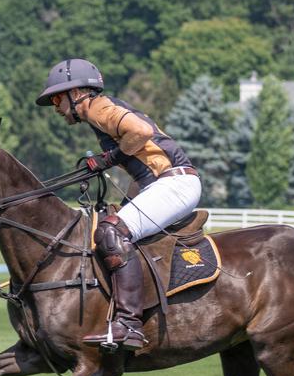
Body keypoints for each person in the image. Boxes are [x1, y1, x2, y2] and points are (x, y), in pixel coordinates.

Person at [36, 58, 202, 351]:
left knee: (112, 233)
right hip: (165, 183)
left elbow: (140, 133)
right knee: (112, 225)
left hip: (175, 183)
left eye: (57, 99)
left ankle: (129, 323)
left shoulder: (99, 108)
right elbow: (142, 166)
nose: (57, 109)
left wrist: (108, 159)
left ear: (77, 94)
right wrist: (126, 200)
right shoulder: (100, 117)